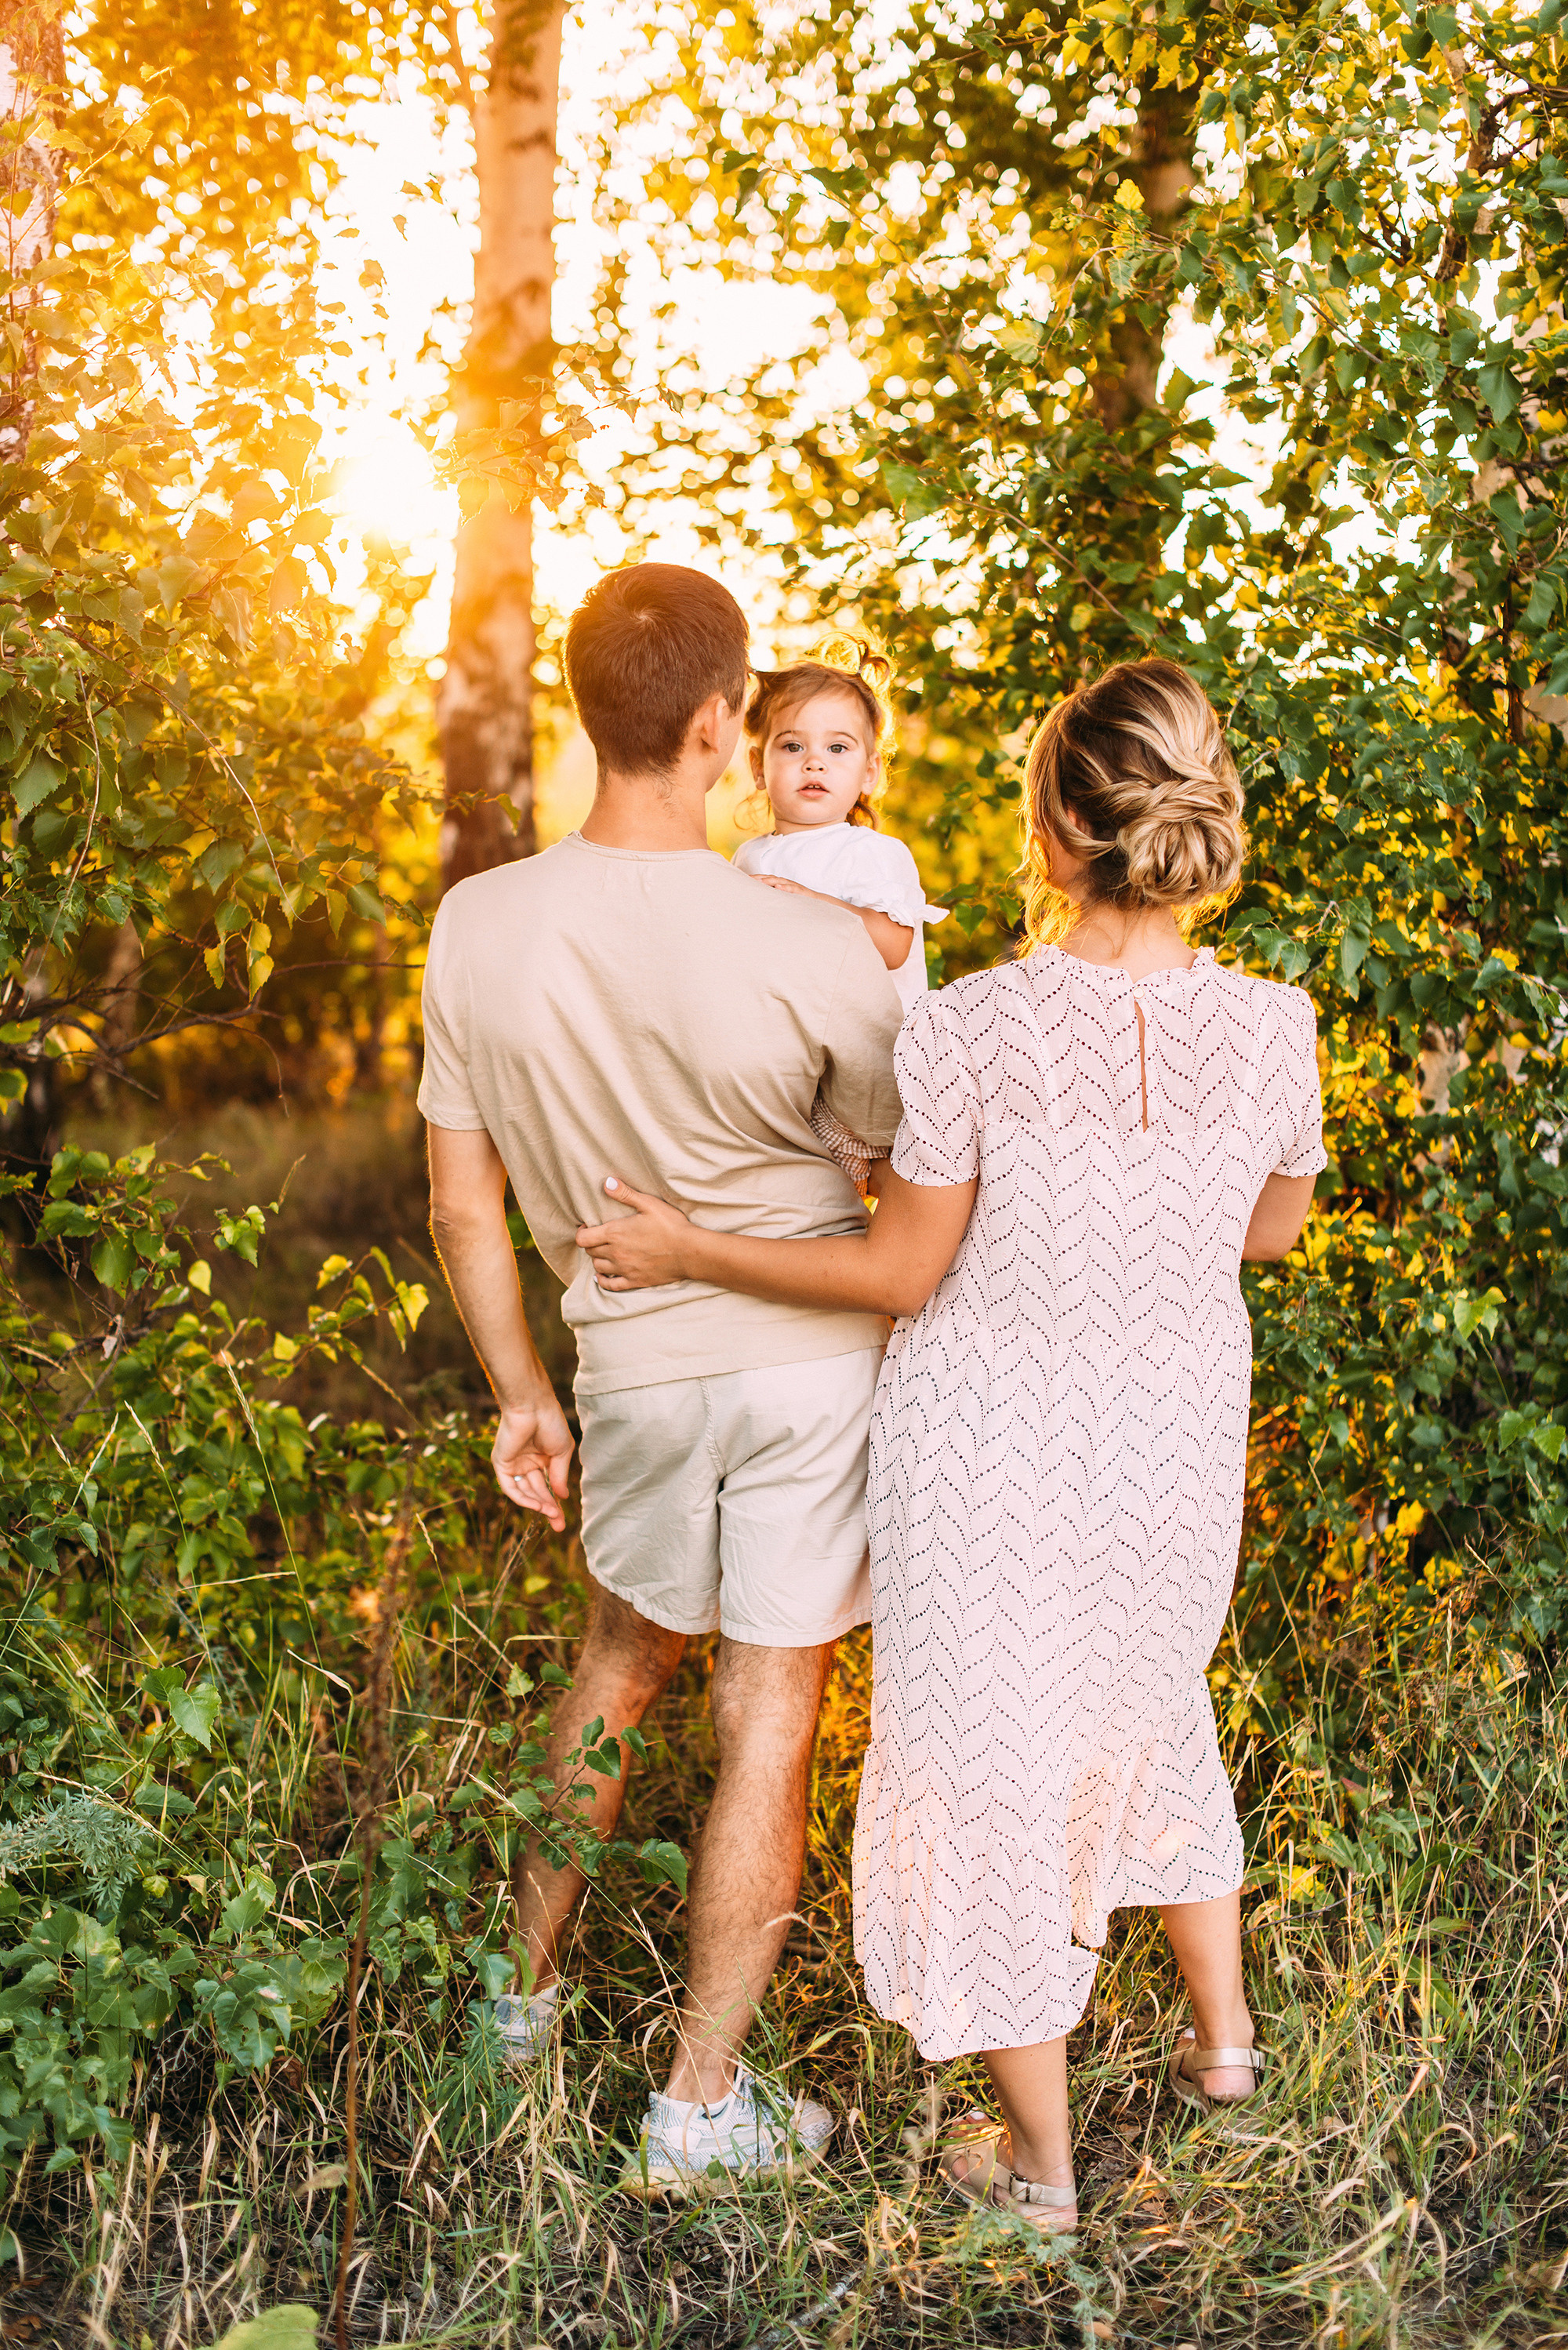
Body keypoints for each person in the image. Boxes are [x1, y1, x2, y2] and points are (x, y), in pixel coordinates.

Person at [577, 656, 1326, 2232]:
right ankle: (1227, 2050)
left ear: (1053, 825)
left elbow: (901, 1270)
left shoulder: (978, 1025)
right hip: (1175, 1441)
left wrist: (693, 1246)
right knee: (1143, 1706)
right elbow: (1267, 1230)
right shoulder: (1275, 1025)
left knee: (992, 1780)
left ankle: (1037, 2174)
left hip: (992, 1447)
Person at [418, 563, 905, 2191]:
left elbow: (460, 1200)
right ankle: (697, 2108)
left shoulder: (478, 922)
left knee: (619, 1661)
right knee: (771, 1706)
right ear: (719, 726)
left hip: (623, 1364)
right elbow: (902, 1169)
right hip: (808, 1365)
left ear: (585, 709)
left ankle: (513, 2013)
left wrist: (518, 1390)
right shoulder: (814, 937)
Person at [731, 644, 947, 1022]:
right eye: (793, 746)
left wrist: (813, 902)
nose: (814, 763)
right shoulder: (748, 857)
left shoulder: (872, 852)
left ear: (869, 771)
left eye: (837, 748)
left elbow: (894, 947)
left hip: (870, 1053)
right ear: (758, 767)